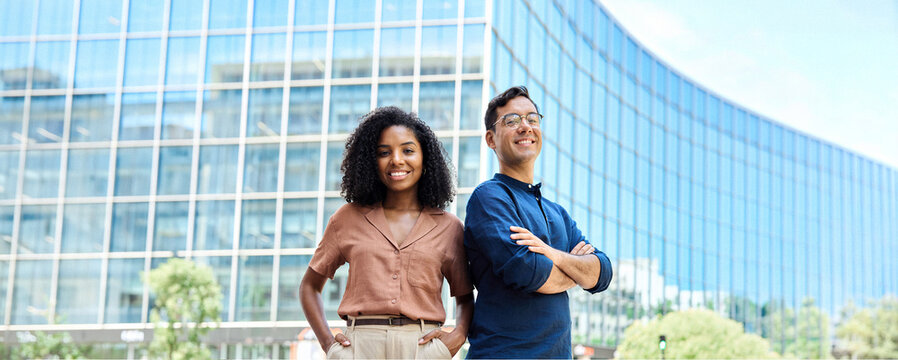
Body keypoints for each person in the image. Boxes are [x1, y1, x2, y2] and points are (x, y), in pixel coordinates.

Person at [300, 106, 474, 359]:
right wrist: (330, 345)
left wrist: (457, 337)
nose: (397, 160)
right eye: (384, 152)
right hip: (360, 347)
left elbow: (465, 297)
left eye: (408, 150)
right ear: (372, 161)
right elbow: (309, 286)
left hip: (423, 348)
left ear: (425, 158)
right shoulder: (347, 218)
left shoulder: (449, 227)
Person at [463, 86, 613, 359]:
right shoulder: (489, 197)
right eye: (512, 121)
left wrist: (552, 254)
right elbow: (528, 271)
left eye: (532, 119)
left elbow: (602, 274)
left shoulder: (558, 213)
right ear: (491, 139)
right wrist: (576, 273)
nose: (526, 127)